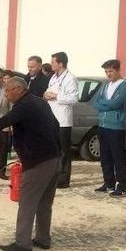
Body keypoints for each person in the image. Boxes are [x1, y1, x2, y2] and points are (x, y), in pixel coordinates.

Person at [0, 77, 61, 251]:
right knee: (44, 203)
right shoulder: (40, 102)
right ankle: (43, 239)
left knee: (27, 202)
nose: (5, 94)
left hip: (38, 160)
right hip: (53, 158)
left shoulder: (24, 106)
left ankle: (23, 243)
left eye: (8, 91)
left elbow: (2, 122)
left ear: (19, 89)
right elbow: (56, 125)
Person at [92, 59, 126, 197]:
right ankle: (108, 182)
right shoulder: (105, 86)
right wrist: (107, 104)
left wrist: (105, 104)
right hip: (102, 125)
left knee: (118, 157)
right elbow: (95, 102)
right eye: (106, 71)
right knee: (105, 157)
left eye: (110, 71)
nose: (108, 74)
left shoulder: (125, 86)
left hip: (116, 127)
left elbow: (116, 104)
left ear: (117, 70)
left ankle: (122, 185)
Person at [44, 52, 79, 188]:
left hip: (63, 119)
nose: (51, 64)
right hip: (51, 117)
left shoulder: (70, 79)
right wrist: (46, 94)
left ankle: (63, 179)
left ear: (61, 63)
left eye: (53, 62)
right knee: (53, 149)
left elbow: (74, 99)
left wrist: (56, 96)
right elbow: (48, 91)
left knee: (64, 151)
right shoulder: (53, 77)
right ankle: (53, 175)